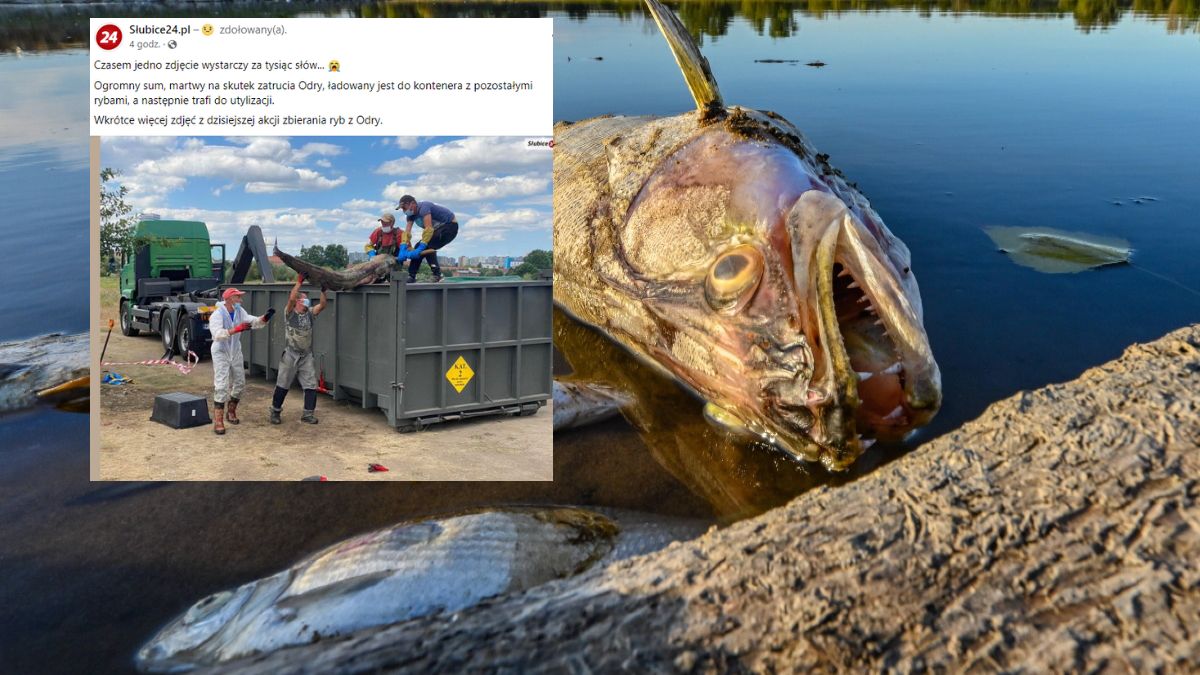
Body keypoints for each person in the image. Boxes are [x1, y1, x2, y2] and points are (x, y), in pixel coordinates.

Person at [208, 287, 274, 435]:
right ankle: (218, 421)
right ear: (230, 298)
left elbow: (252, 321)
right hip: (221, 352)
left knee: (240, 382)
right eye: (238, 297)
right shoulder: (217, 315)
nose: (240, 300)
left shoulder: (239, 311)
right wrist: (235, 330)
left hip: (235, 351)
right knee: (221, 385)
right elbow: (217, 335)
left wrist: (264, 318)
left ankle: (231, 411)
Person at [270, 274, 327, 425]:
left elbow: (322, 305)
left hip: (306, 356)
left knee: (310, 385)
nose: (306, 302)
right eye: (303, 300)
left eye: (306, 300)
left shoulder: (310, 314)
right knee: (283, 383)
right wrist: (299, 282)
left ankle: (308, 414)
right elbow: (291, 299)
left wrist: (323, 290)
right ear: (297, 302)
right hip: (290, 354)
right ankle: (275, 411)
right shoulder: (290, 314)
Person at [397, 194, 459, 283]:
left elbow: (428, 229)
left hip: (449, 227)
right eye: (402, 209)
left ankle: (437, 275)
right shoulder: (410, 216)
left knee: (427, 245)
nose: (404, 210)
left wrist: (423, 246)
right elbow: (407, 232)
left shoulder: (424, 207)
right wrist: (403, 246)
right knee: (418, 246)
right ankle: (411, 275)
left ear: (413, 203)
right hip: (436, 230)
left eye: (404, 207)